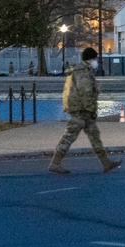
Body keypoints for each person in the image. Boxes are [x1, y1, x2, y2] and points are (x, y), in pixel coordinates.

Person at [49, 47, 121, 175]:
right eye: (95, 59)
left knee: (94, 136)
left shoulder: (85, 70)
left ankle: (106, 163)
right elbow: (85, 92)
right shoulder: (82, 72)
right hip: (81, 110)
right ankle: (55, 163)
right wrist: (91, 109)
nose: (97, 61)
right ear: (91, 59)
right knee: (69, 136)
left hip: (83, 110)